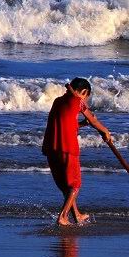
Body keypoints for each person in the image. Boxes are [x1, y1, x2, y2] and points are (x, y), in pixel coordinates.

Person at [42, 77, 111, 226]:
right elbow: (93, 119)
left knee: (67, 188)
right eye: (86, 97)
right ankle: (63, 217)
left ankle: (77, 215)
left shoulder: (58, 101)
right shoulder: (77, 102)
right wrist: (105, 131)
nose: (85, 101)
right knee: (75, 185)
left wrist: (82, 124)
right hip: (67, 147)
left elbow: (66, 125)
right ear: (84, 92)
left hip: (51, 148)